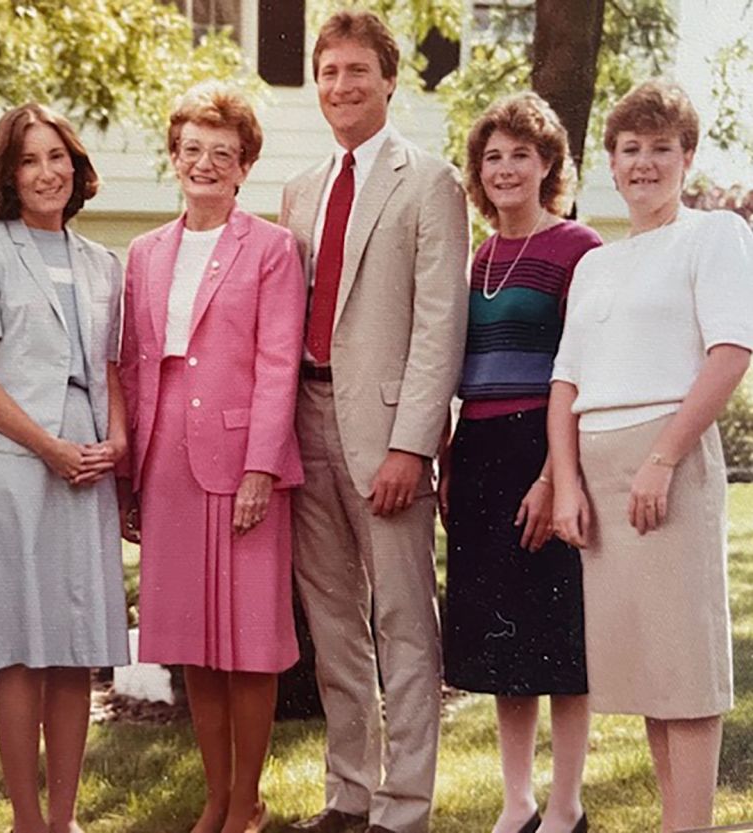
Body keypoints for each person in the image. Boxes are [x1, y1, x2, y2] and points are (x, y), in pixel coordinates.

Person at [279, 11, 469, 833]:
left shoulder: (429, 181)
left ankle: (405, 805)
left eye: (358, 70)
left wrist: (411, 444)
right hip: (305, 420)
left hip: (386, 435)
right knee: (332, 623)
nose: (341, 86)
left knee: (401, 621)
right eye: (329, 72)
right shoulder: (298, 191)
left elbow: (439, 323)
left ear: (390, 80)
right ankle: (348, 791)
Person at [549, 80, 753, 833]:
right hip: (600, 474)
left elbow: (731, 351)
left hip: (663, 458)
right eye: (629, 149)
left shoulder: (714, 236)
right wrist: (566, 482)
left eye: (660, 149)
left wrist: (663, 459)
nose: (643, 164)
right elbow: (565, 379)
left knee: (684, 667)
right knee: (643, 670)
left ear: (686, 156)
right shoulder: (596, 264)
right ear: (610, 160)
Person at [118, 82, 305, 833]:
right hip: (166, 462)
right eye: (191, 150)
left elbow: (278, 360)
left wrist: (261, 464)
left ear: (243, 166)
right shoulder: (143, 253)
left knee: (248, 642)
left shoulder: (269, 248)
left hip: (242, 462)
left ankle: (248, 800)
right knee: (193, 638)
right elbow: (135, 364)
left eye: (221, 154)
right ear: (174, 158)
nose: (204, 164)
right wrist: (130, 474)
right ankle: (217, 794)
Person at [0, 102, 129, 833]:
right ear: (7, 173)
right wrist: (47, 446)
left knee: (75, 645)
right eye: (28, 159)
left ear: (76, 167)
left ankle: (65, 819)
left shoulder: (99, 261)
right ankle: (25, 819)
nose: (46, 172)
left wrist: (115, 439)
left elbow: (113, 368)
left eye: (57, 156)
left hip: (87, 457)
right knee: (20, 645)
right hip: (15, 457)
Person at [441, 93, 600, 833]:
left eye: (520, 155)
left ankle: (567, 803)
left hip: (545, 449)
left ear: (548, 166)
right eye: (492, 156)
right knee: (504, 641)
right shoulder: (476, 256)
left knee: (560, 636)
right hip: (476, 450)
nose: (505, 169)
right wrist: (447, 452)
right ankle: (518, 802)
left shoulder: (577, 247)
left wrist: (550, 477)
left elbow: (581, 365)